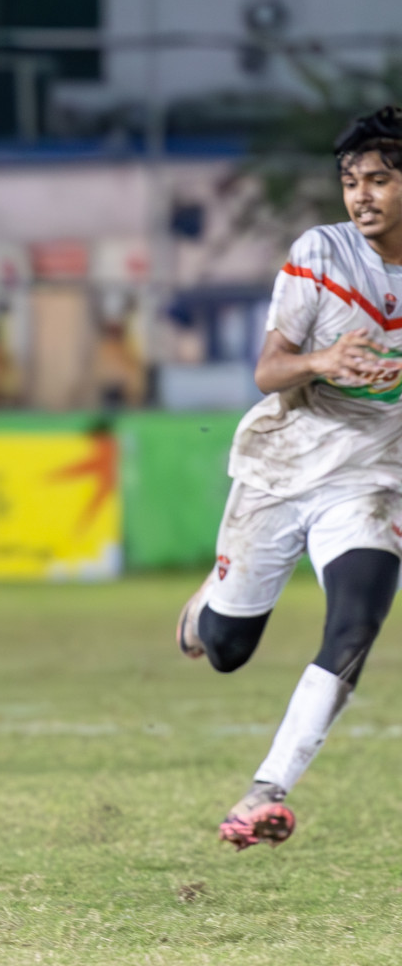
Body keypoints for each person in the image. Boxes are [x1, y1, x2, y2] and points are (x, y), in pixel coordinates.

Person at [177, 105, 402, 849]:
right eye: (350, 181)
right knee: (227, 649)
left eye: (379, 179)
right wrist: (322, 362)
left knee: (356, 626)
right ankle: (207, 601)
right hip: (286, 462)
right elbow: (268, 370)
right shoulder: (322, 254)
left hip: (372, 476)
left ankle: (264, 792)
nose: (362, 195)